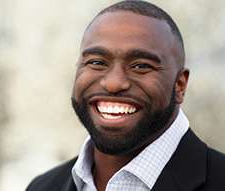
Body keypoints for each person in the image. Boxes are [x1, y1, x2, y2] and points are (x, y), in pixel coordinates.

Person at [26, 1, 225, 191]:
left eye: (141, 66)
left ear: (180, 85)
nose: (113, 83)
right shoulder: (43, 186)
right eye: (97, 62)